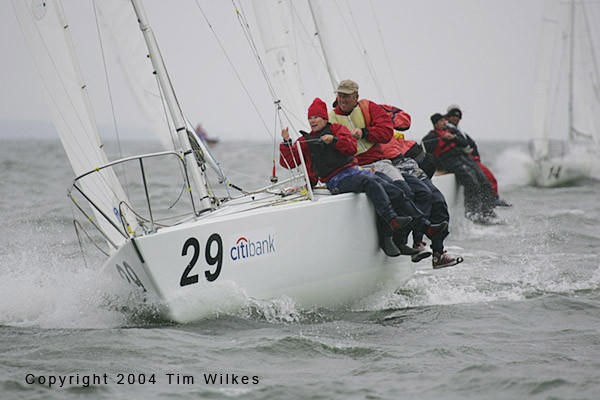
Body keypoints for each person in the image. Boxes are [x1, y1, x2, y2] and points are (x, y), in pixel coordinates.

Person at [280, 97, 416, 257]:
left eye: (316, 117)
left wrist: (335, 141)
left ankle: (401, 235)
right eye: (310, 118)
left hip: (353, 171)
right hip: (335, 180)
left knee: (394, 190)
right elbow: (289, 162)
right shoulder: (305, 140)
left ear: (324, 118)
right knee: (369, 181)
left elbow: (351, 147)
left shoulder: (337, 129)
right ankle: (392, 220)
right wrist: (287, 141)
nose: (312, 121)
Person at [328, 80, 447, 256]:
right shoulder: (331, 118)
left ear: (356, 97)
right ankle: (391, 238)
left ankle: (410, 239)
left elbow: (386, 132)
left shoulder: (370, 108)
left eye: (347, 95)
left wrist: (364, 132)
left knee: (409, 191)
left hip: (382, 163)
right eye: (340, 95)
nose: (343, 99)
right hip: (356, 167)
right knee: (392, 191)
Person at [381, 132, 463, 268]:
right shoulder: (360, 126)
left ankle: (438, 253)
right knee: (421, 196)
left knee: (438, 201)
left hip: (409, 164)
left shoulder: (392, 129)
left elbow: (403, 120)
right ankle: (413, 242)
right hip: (391, 167)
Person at [422, 113, 498, 224]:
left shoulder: (453, 132)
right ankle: (472, 213)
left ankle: (487, 211)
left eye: (444, 120)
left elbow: (465, 142)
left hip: (464, 159)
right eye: (442, 121)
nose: (444, 123)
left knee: (484, 181)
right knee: (471, 181)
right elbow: (427, 149)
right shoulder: (431, 136)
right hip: (449, 161)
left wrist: (454, 138)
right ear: (436, 124)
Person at [445, 105, 511, 207]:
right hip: (462, 160)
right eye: (453, 116)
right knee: (478, 180)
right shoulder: (447, 130)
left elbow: (470, 143)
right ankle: (479, 208)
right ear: (448, 117)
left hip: (470, 160)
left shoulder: (459, 131)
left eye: (458, 117)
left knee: (489, 178)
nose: (456, 118)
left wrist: (476, 158)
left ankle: (491, 202)